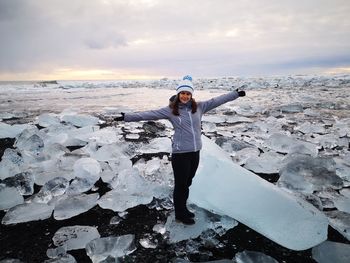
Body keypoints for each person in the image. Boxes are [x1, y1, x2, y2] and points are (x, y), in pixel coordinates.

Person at [115, 75, 246, 225]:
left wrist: (235, 94)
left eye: (188, 93)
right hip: (180, 154)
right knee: (181, 184)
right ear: (178, 94)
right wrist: (126, 117)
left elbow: (217, 100)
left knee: (188, 182)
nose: (185, 96)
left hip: (195, 152)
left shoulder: (200, 107)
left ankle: (183, 208)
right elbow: (148, 114)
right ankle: (180, 214)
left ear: (191, 95)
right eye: (182, 93)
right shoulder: (171, 110)